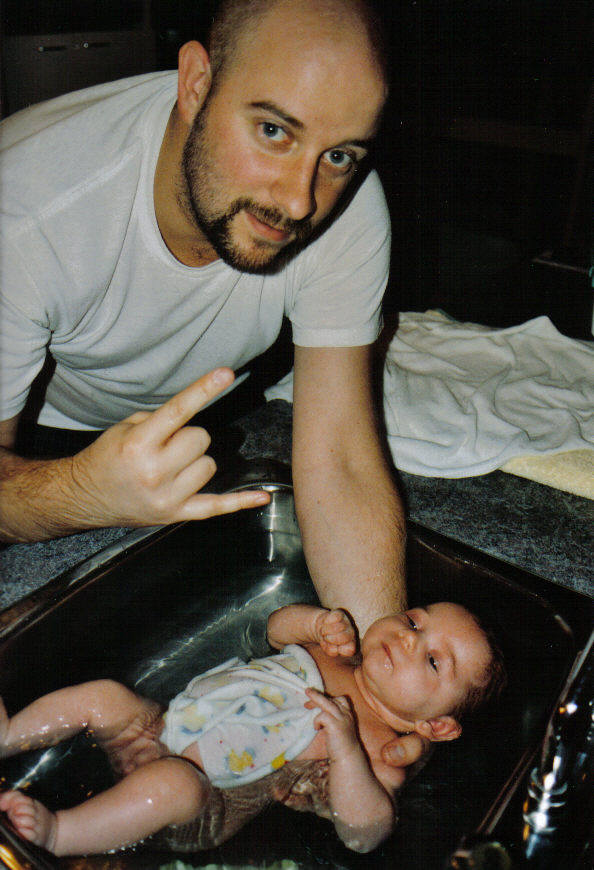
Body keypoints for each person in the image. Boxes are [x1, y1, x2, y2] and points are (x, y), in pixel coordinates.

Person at [0, 0, 405, 632]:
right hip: (35, 439)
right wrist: (84, 492)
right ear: (195, 84)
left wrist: (384, 666)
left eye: (339, 156)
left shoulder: (348, 208)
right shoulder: (26, 213)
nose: (299, 201)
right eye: (274, 131)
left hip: (203, 410)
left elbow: (342, 463)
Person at [0, 601, 506, 856]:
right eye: (415, 621)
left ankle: (59, 834)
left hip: (204, 799)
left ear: (435, 724)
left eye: (434, 661)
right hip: (158, 729)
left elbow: (366, 833)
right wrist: (313, 623)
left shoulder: (379, 749)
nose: (411, 639)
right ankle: (7, 736)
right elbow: (274, 629)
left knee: (171, 784)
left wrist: (347, 750)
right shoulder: (341, 652)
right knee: (105, 696)